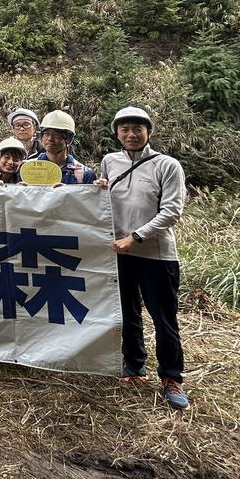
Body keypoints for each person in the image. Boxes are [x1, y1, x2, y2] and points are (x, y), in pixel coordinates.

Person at [96, 106, 189, 409]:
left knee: (164, 319)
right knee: (127, 312)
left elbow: (172, 211)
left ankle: (172, 377)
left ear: (149, 132)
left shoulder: (167, 165)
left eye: (137, 128)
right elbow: (105, 201)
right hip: (119, 254)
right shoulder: (110, 162)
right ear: (117, 133)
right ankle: (134, 364)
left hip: (156, 255)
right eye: (124, 129)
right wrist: (99, 189)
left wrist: (134, 237)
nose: (131, 134)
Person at [36, 110, 96, 184]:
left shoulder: (85, 174)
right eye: (46, 134)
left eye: (56, 135)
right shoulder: (29, 169)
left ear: (68, 139)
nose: (50, 139)